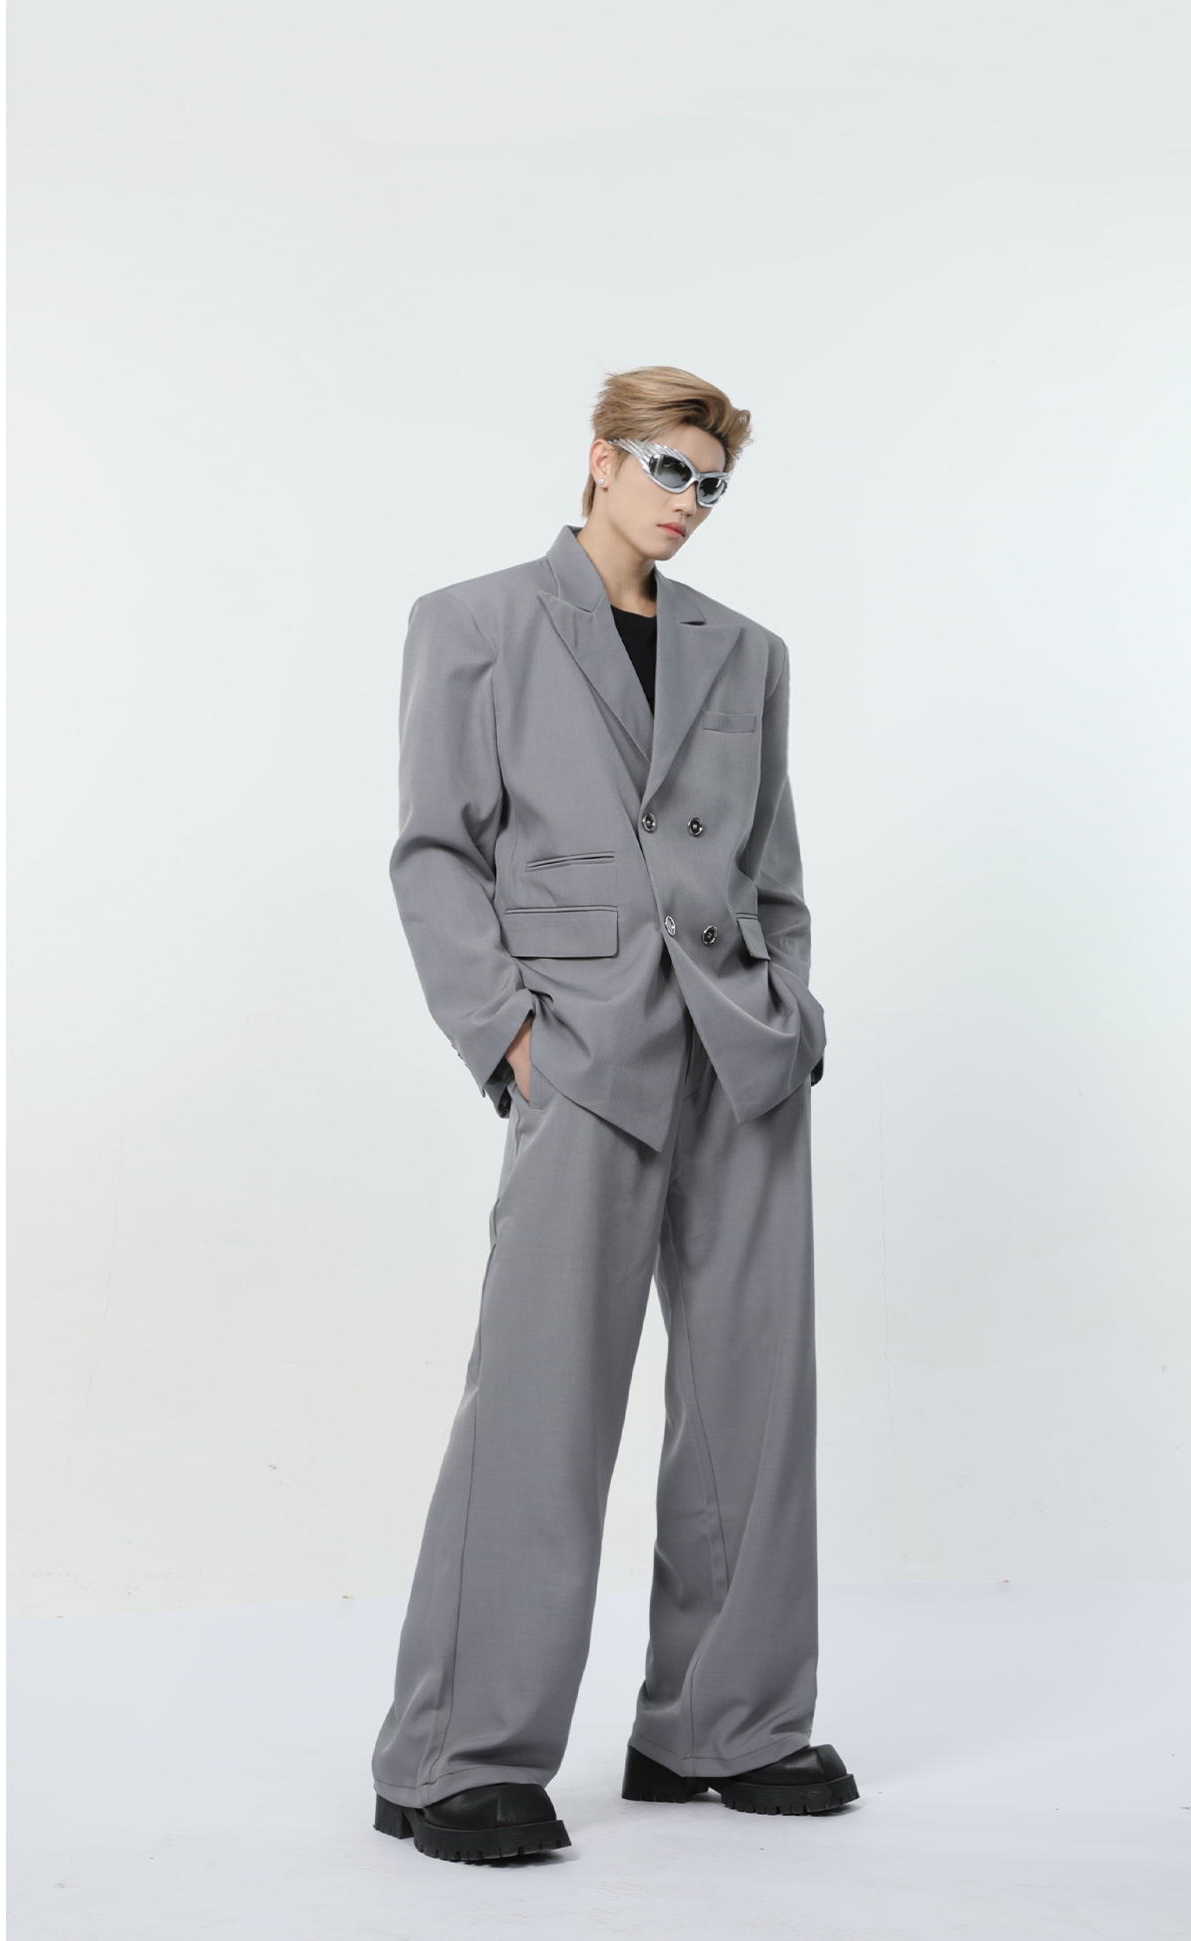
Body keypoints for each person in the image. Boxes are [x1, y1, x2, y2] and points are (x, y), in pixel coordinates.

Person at [371, 366, 855, 1864]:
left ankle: (723, 1725)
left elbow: (771, 866)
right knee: (540, 1398)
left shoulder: (748, 653)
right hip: (580, 1051)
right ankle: (455, 1753)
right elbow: (436, 854)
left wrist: (789, 1007)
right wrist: (507, 1034)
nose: (688, 501)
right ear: (600, 459)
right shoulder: (475, 623)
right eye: (667, 468)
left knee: (753, 1402)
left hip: (742, 1056)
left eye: (711, 482)